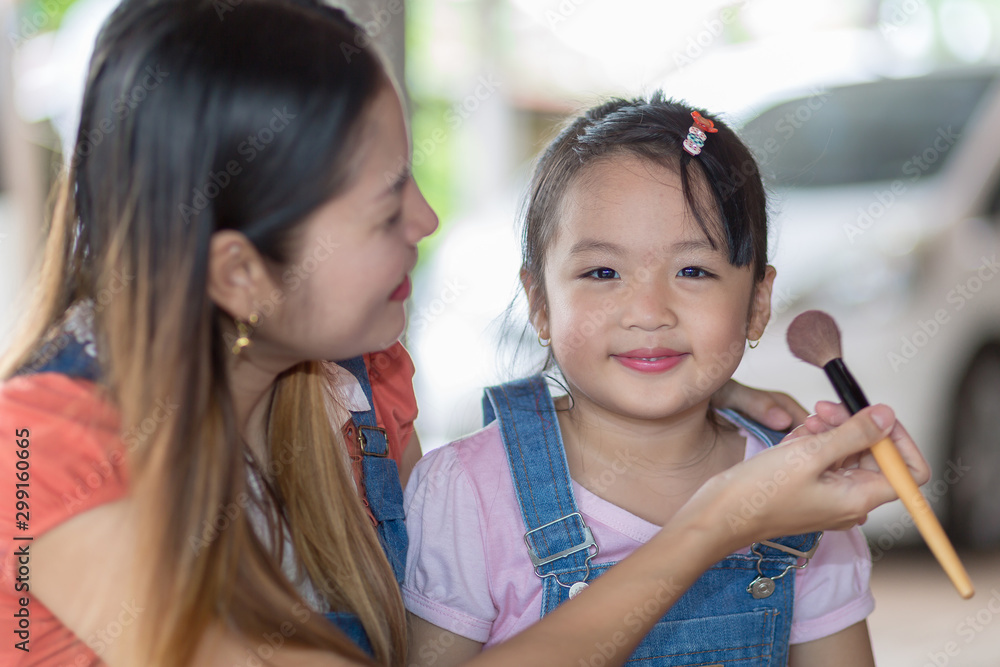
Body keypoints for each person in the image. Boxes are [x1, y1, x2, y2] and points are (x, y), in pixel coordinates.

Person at [0, 2, 929, 666]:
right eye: (384, 206)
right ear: (241, 275)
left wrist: (682, 386)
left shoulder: (353, 388)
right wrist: (715, 523)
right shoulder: (39, 463)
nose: (430, 217)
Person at [402, 95, 905, 667]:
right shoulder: (467, 491)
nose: (647, 311)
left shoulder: (804, 496)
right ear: (540, 303)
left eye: (693, 271)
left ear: (758, 303)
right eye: (602, 272)